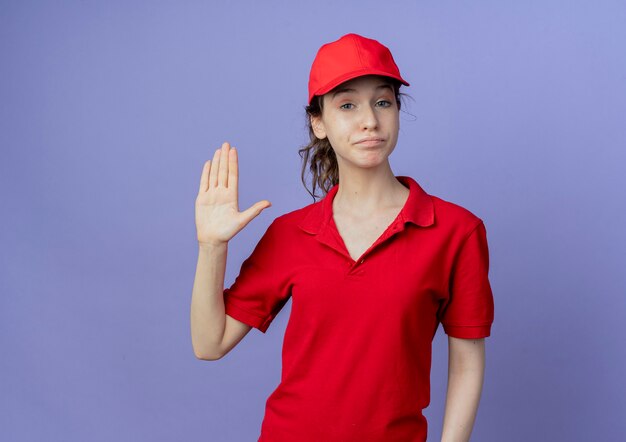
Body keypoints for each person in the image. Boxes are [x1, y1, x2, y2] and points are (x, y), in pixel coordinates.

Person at [191, 33, 495, 442]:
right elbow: (209, 344)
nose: (369, 120)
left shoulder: (456, 231)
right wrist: (212, 247)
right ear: (318, 123)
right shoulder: (290, 233)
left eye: (383, 102)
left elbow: (467, 362)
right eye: (347, 105)